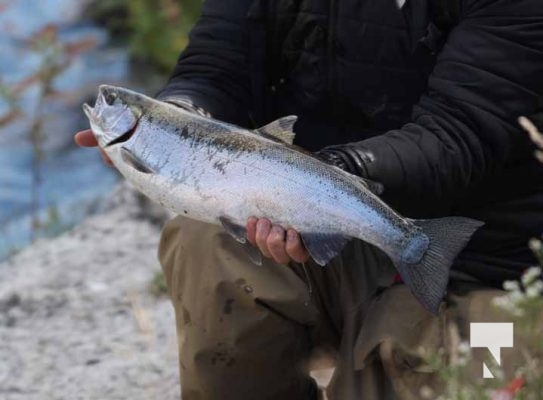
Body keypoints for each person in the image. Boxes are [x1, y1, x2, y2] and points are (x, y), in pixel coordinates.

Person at [75, 0, 543, 398]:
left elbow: (461, 134)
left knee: (485, 387)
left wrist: (335, 175)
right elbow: (216, 68)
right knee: (206, 240)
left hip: (491, 270)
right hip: (331, 241)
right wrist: (173, 124)